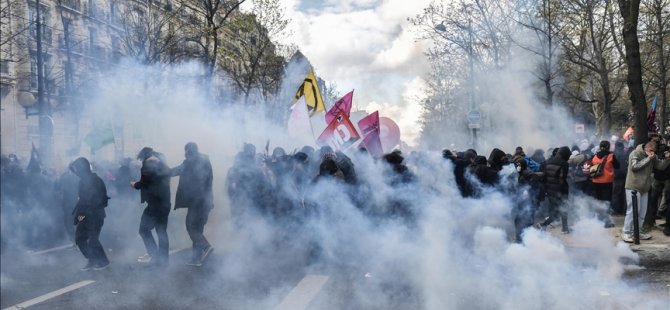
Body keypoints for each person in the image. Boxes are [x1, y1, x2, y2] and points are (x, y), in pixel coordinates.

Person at [171, 143, 214, 267]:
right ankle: (196, 259)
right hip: (207, 201)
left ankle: (206, 247)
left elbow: (174, 171)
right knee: (198, 229)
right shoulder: (206, 161)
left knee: (191, 227)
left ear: (188, 150)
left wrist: (159, 170)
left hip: (196, 202)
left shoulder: (190, 162)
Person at [622, 141, 670, 242]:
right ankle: (626, 232)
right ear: (646, 148)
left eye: (654, 152)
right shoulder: (635, 153)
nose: (652, 153)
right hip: (633, 186)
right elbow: (634, 167)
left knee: (642, 212)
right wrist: (648, 159)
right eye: (651, 151)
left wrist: (668, 158)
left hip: (644, 188)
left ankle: (637, 232)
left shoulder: (652, 155)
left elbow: (660, 166)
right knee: (632, 211)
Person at [132, 147, 171, 266]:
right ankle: (163, 260)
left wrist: (135, 184)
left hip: (155, 204)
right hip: (164, 202)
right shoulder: (162, 162)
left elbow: (145, 182)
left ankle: (154, 255)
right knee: (161, 231)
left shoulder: (149, 162)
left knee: (143, 230)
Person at [70, 157, 110, 271]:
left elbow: (94, 200)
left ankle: (103, 261)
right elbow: (83, 201)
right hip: (85, 215)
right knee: (80, 238)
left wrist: (81, 214)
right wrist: (80, 216)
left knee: (93, 239)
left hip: (95, 215)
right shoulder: (82, 181)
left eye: (77, 168)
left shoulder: (95, 180)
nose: (76, 171)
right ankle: (92, 259)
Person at [539, 146, 572, 233]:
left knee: (555, 212)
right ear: (564, 154)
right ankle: (564, 228)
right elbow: (562, 178)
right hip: (560, 191)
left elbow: (543, 178)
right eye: (568, 155)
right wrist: (562, 192)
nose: (568, 157)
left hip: (550, 191)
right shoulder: (564, 163)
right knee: (564, 209)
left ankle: (544, 225)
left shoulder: (546, 162)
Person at [590, 140, 619, 228]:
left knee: (598, 201)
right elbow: (617, 166)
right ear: (608, 146)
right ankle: (606, 222)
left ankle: (598, 220)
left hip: (596, 182)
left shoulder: (594, 156)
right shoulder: (611, 156)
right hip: (607, 182)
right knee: (606, 201)